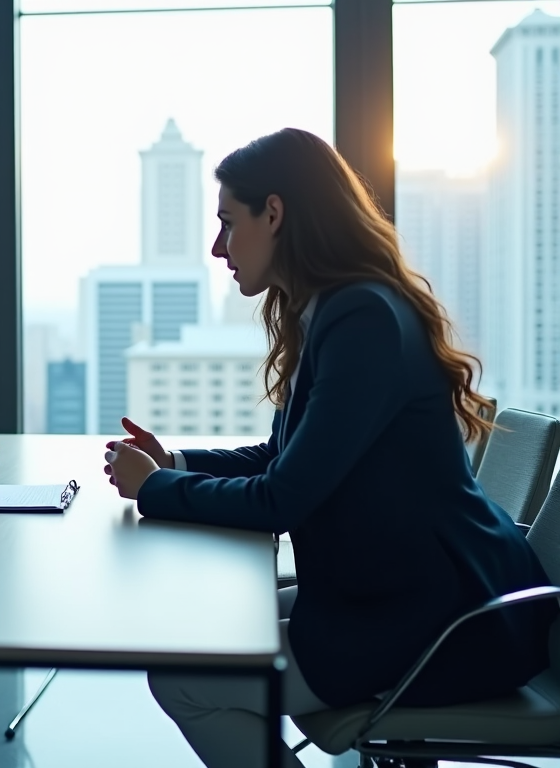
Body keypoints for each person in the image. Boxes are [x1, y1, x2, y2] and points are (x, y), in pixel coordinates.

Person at [103, 128, 557, 768]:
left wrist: (153, 488)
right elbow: (279, 457)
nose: (217, 247)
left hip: (445, 622)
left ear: (276, 213)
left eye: (228, 224)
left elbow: (282, 499)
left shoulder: (362, 318)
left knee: (183, 678)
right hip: (401, 593)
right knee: (202, 633)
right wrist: (173, 463)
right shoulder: (336, 308)